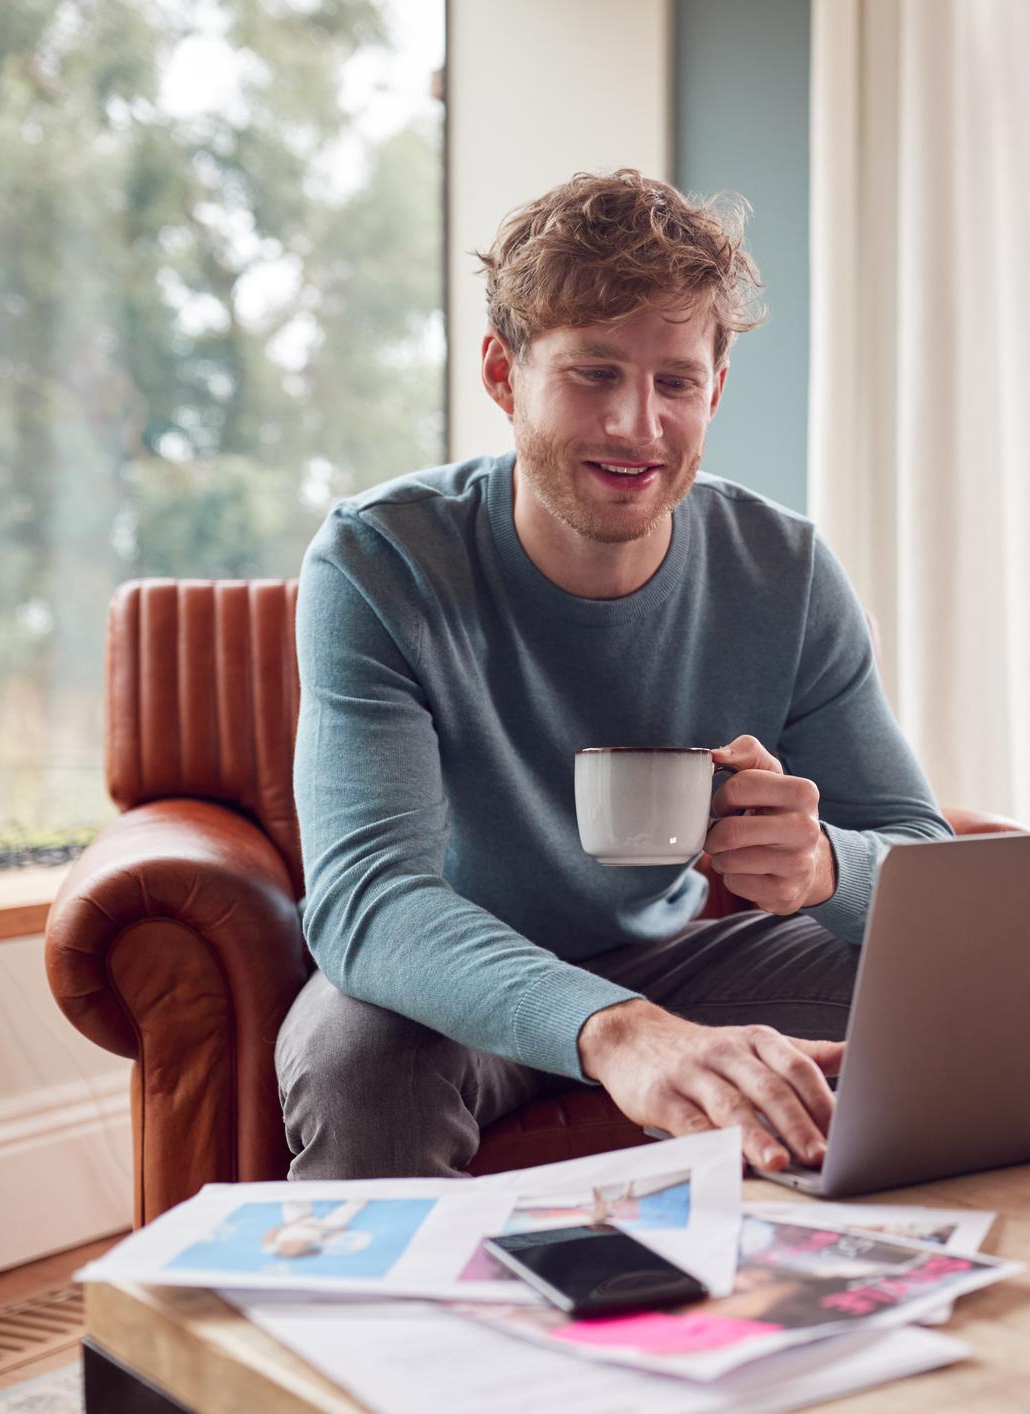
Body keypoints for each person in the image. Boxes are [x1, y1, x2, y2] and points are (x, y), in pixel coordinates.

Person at [275, 169, 951, 1181]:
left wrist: (821, 866)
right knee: (360, 1060)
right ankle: (403, 1341)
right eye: (593, 374)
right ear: (503, 374)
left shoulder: (786, 571)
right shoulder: (383, 560)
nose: (639, 427)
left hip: (684, 959)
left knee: (983, 995)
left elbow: (924, 871)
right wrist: (621, 1032)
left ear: (714, 387)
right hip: (452, 978)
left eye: (676, 381)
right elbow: (371, 899)